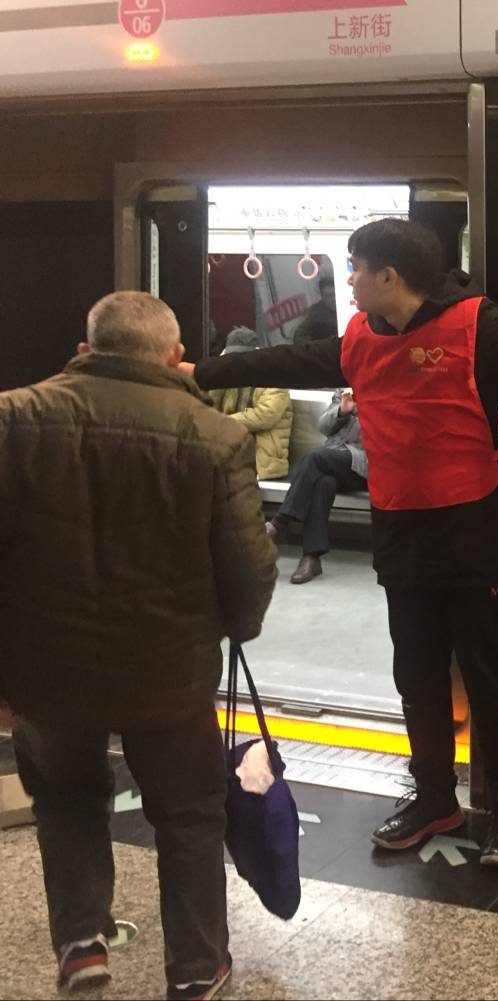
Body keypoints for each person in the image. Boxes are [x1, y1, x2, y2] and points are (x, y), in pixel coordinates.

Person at [179, 219, 498, 864]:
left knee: (489, 677)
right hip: (401, 529)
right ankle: (433, 798)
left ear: (389, 275)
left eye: (355, 267)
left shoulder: (476, 326)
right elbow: (285, 359)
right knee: (417, 675)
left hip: (472, 527)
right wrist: (198, 371)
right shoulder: (361, 336)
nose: (349, 279)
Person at [0, 292, 277, 999]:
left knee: (66, 799)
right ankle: (197, 965)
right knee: (188, 814)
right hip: (170, 671)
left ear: (86, 348)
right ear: (174, 355)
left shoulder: (14, 418)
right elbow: (250, 568)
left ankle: (82, 945)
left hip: (47, 670)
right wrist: (237, 627)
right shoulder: (214, 434)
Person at [267, 388, 368, 584]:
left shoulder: (382, 390)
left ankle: (279, 523)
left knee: (314, 458)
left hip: (364, 463)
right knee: (323, 483)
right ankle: (311, 557)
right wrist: (342, 411)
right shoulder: (346, 389)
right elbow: (323, 426)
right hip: (334, 460)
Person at [207, 327, 293, 481]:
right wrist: (219, 371)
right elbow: (209, 405)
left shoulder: (274, 378)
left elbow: (265, 416)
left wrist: (225, 422)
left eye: (241, 357)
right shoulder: (230, 376)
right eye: (232, 357)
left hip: (261, 459)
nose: (237, 362)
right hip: (230, 450)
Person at [292, 275, 340, 345]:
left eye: (334, 295)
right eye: (328, 296)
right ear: (322, 296)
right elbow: (299, 335)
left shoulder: (347, 306)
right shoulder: (315, 313)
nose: (333, 299)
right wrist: (313, 348)